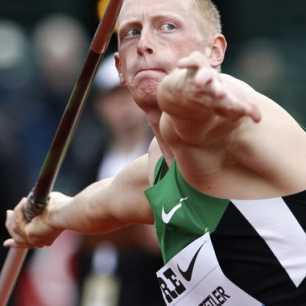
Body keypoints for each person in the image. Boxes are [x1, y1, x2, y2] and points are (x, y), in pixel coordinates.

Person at [4, 0, 306, 305]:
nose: (144, 44)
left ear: (214, 51)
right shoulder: (157, 170)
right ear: (120, 67)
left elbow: (182, 98)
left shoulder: (228, 112)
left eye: (168, 27)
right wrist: (48, 215)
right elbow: (99, 205)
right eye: (132, 32)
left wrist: (189, 87)